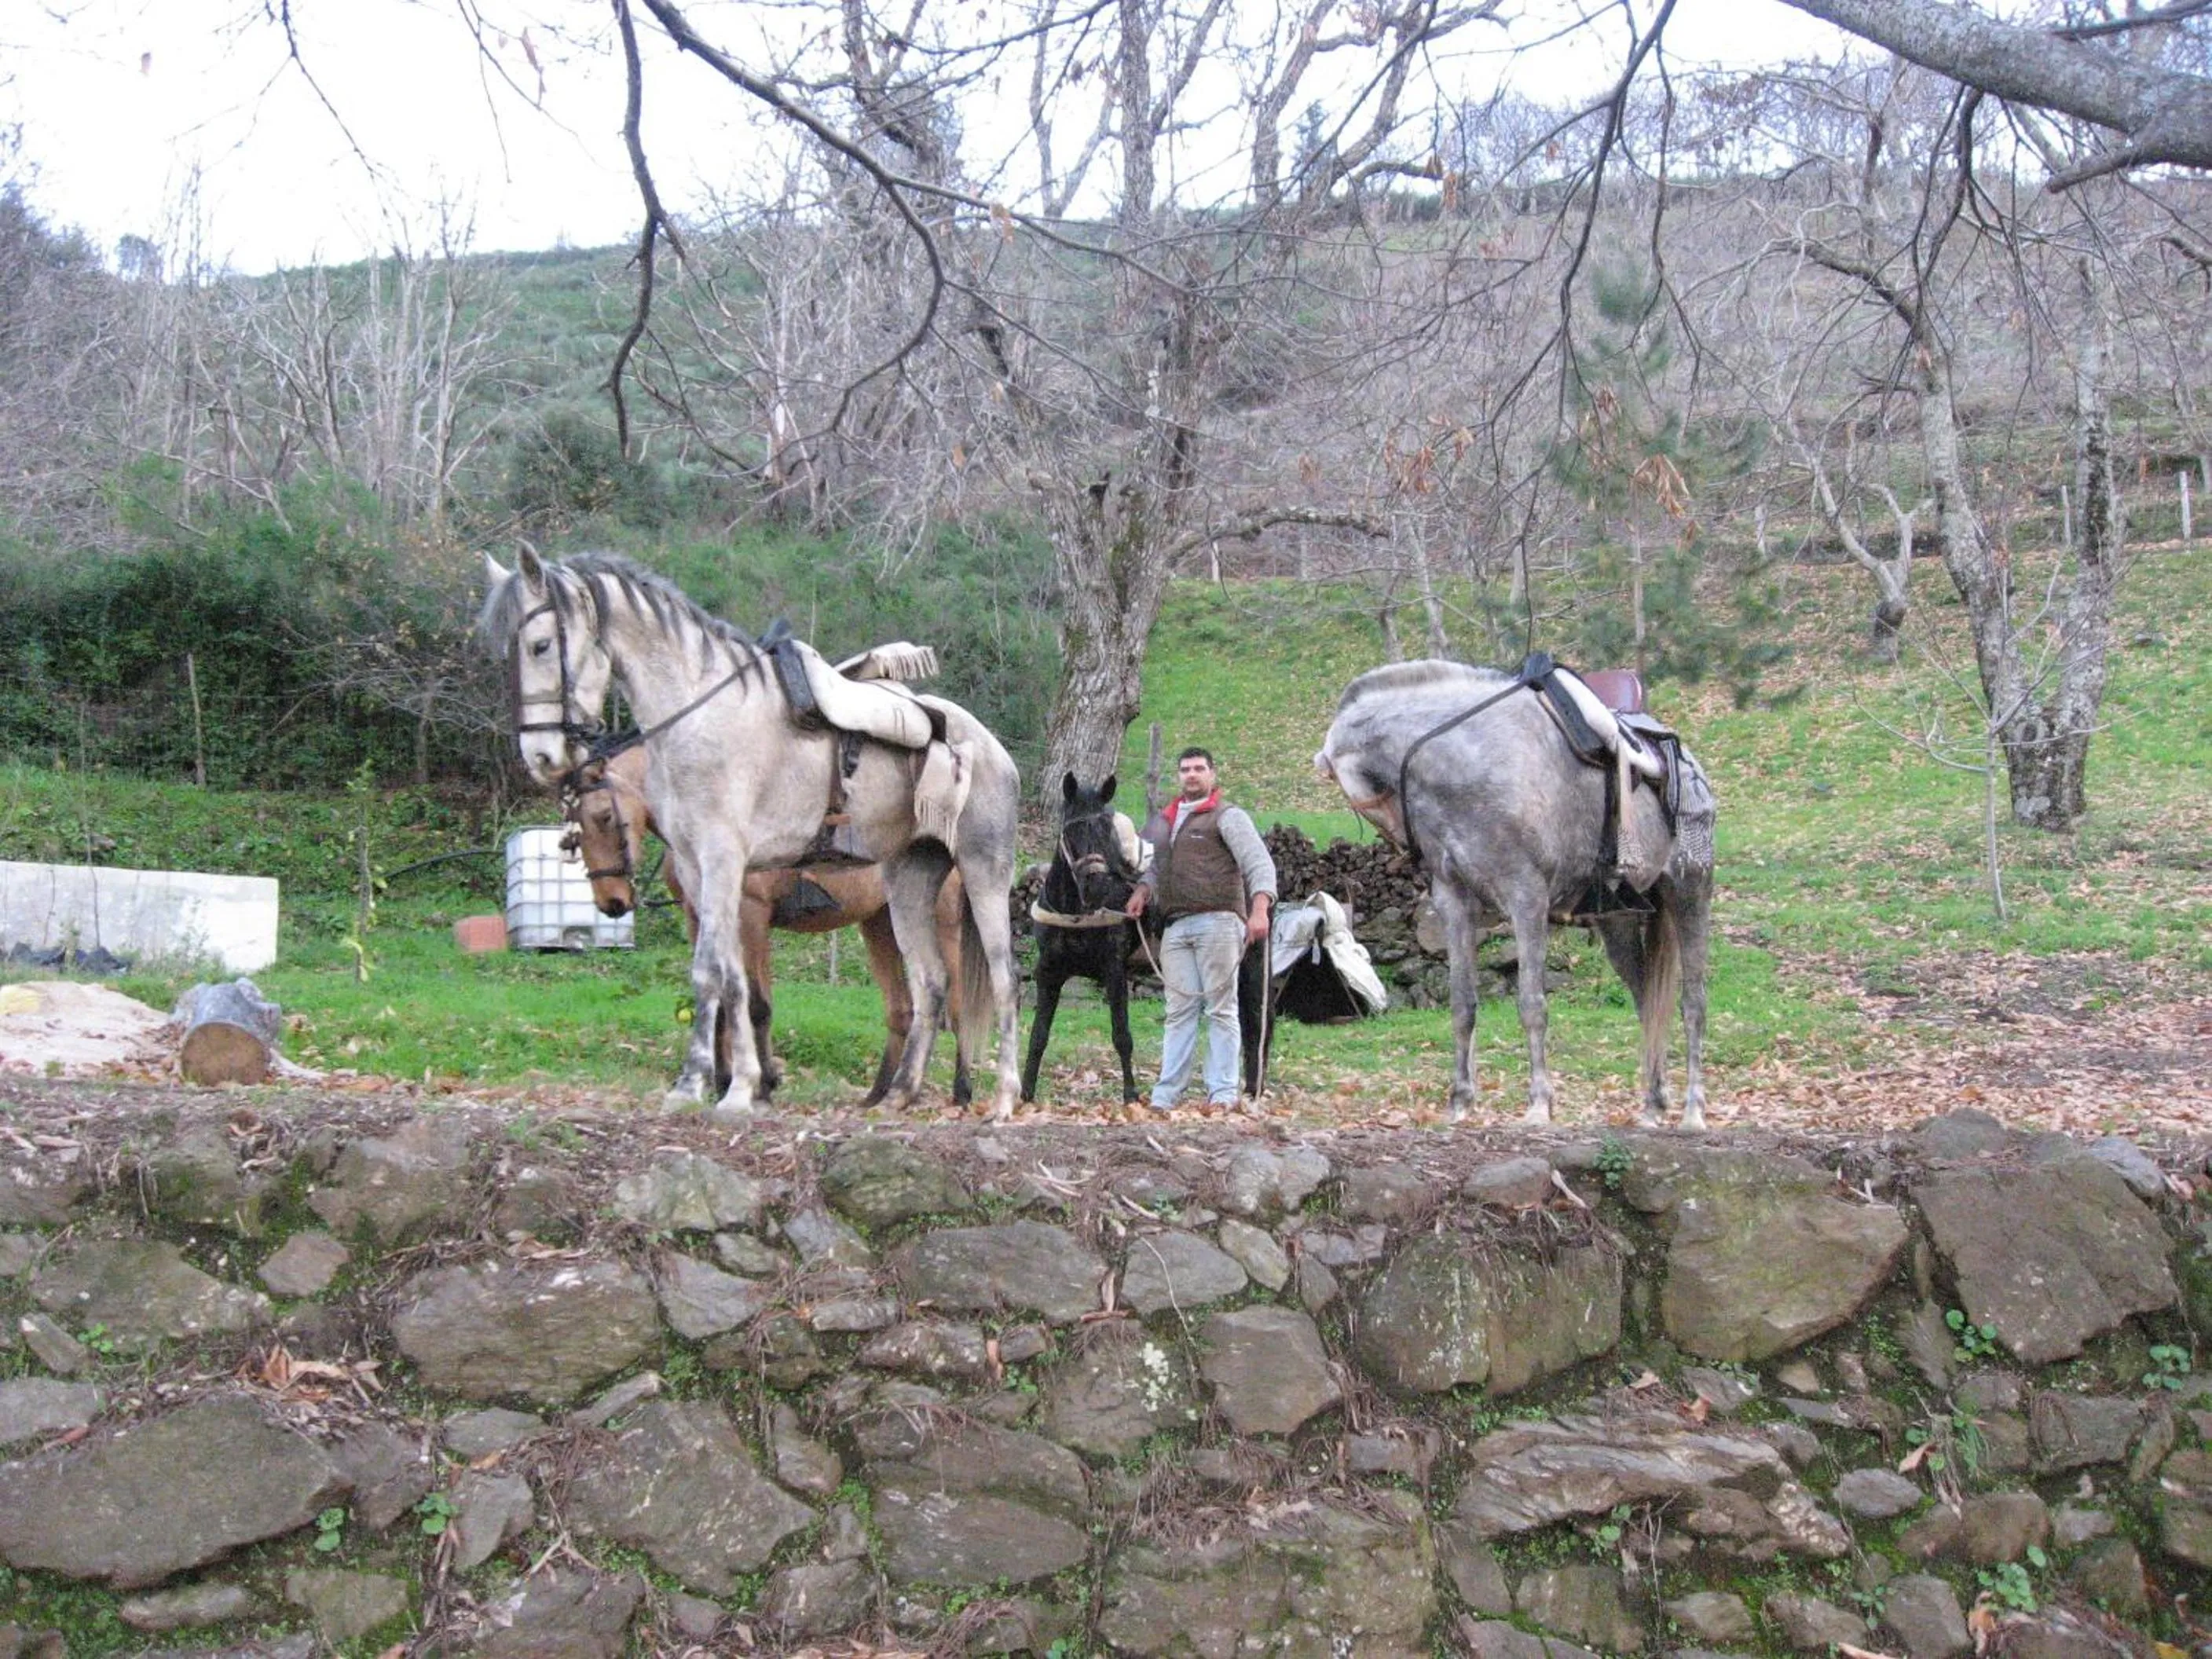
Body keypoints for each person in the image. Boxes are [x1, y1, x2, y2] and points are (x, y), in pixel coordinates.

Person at [1124, 747, 1277, 1113]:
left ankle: (1222, 1093)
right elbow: (1156, 867)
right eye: (1185, 770)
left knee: (1222, 1010)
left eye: (1198, 769)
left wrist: (1259, 910)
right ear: (1178, 776)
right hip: (1175, 926)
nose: (1191, 775)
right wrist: (1143, 892)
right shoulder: (1167, 820)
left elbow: (1258, 862)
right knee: (1178, 1011)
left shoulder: (1228, 816)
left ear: (1212, 774)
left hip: (1220, 921)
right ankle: (1166, 1095)